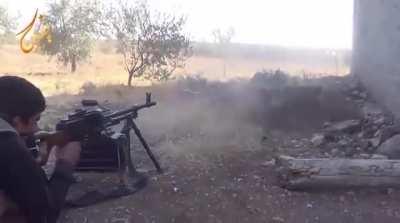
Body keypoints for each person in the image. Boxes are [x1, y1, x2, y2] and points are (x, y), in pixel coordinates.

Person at [0, 75, 82, 223]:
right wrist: (65, 163)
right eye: (35, 120)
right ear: (17, 121)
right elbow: (45, 214)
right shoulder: (9, 145)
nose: (36, 128)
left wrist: (31, 157)